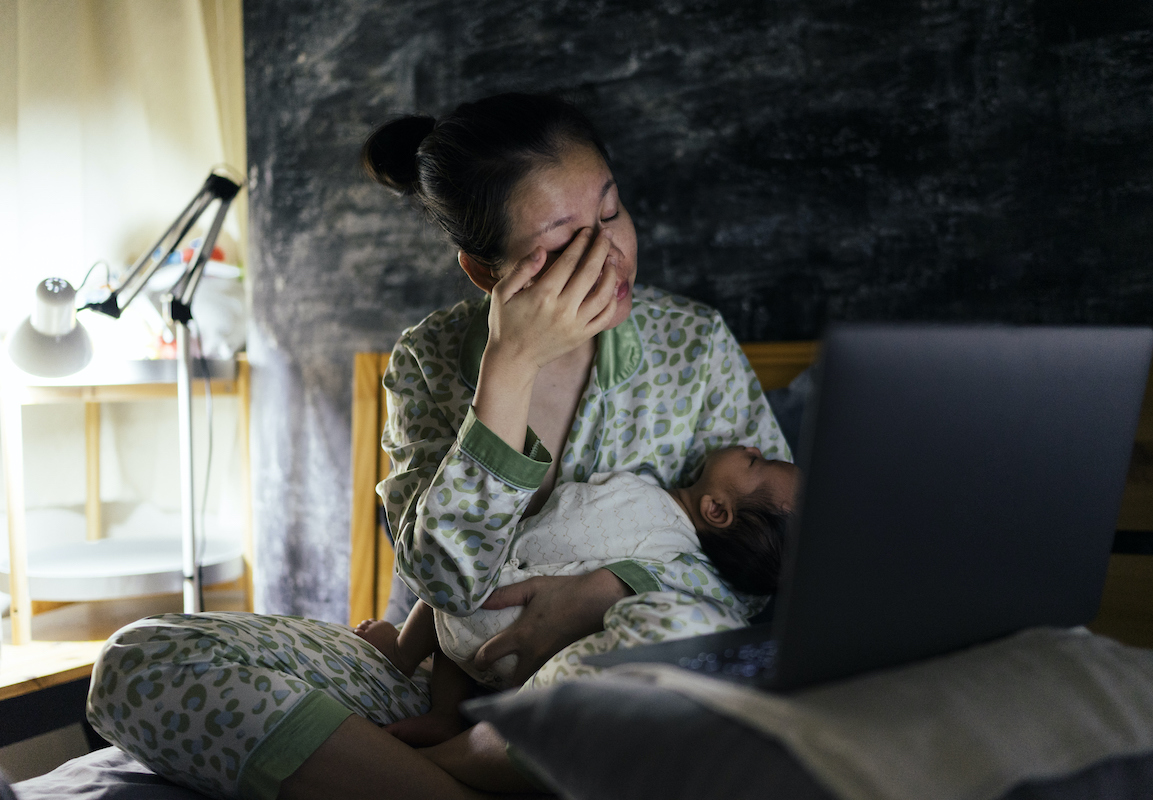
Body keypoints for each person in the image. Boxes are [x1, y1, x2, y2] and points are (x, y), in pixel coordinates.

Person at [86, 92, 789, 800]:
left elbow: (770, 573)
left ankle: (427, 774)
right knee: (139, 660)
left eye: (611, 213)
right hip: (444, 681)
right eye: (563, 242)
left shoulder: (693, 347)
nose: (607, 255)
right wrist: (508, 373)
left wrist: (607, 591)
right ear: (486, 272)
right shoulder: (429, 360)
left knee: (689, 645)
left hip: (617, 674)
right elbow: (446, 581)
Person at [355, 444, 801, 745]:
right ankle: (449, 714)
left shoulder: (649, 508)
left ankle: (401, 650)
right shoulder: (678, 559)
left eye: (756, 464)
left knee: (459, 567)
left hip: (490, 602)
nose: (755, 448)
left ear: (717, 510)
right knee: (471, 587)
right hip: (517, 663)